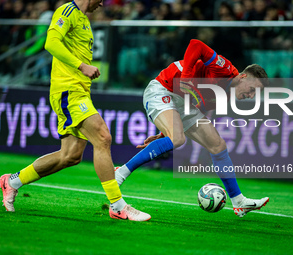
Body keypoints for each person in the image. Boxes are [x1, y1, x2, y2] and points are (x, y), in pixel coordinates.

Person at [0, 0, 150, 222]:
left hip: (78, 91)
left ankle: (11, 182)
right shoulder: (67, 11)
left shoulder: (84, 19)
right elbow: (51, 42)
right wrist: (81, 65)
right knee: (103, 136)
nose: (102, 3)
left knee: (69, 156)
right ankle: (118, 206)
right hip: (68, 91)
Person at [115, 39, 269, 218]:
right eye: (251, 89)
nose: (250, 95)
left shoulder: (225, 96)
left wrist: (163, 133)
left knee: (218, 146)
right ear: (243, 77)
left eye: (254, 94)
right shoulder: (225, 69)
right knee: (178, 139)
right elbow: (196, 44)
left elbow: (198, 107)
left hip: (184, 104)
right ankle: (121, 173)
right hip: (163, 89)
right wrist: (187, 77)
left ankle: (239, 201)